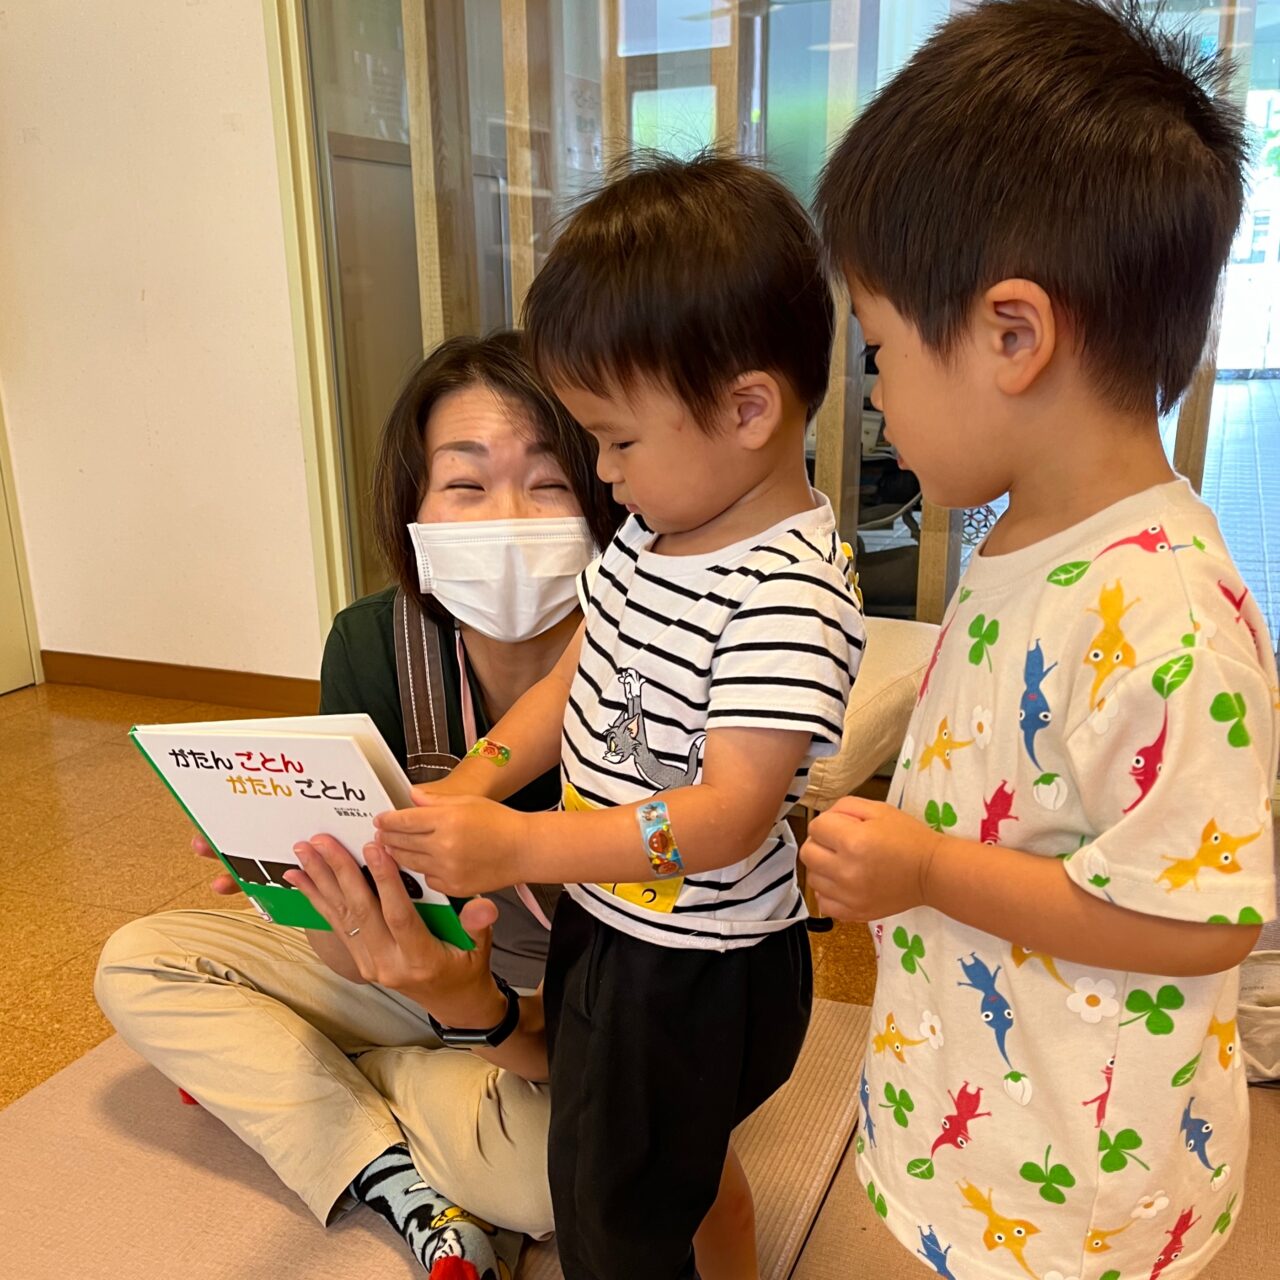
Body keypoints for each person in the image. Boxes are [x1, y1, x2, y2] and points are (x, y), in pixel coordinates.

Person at [802, 3, 1278, 1278]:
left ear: (1011, 335)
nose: (874, 396)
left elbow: (1200, 922)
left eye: (880, 350)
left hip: (1082, 1179)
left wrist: (923, 866)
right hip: (980, 1096)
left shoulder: (1166, 610)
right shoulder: (1022, 533)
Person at [373, 153, 866, 1280]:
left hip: (692, 968)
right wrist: (473, 782)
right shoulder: (656, 532)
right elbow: (580, 673)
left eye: (617, 440)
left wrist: (522, 845)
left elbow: (731, 815)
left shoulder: (783, 591)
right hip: (615, 921)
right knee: (673, 1171)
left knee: (612, 1210)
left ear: (746, 408)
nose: (602, 472)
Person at [95, 331, 621, 1280]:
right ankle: (394, 1172)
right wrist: (310, 885)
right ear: (412, 507)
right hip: (400, 968)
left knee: (570, 1177)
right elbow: (346, 950)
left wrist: (471, 1006)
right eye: (465, 483)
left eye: (549, 483)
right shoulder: (377, 644)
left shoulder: (646, 660)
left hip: (563, 1009)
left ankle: (317, 1071)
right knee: (139, 963)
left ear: (608, 492)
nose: (506, 516)